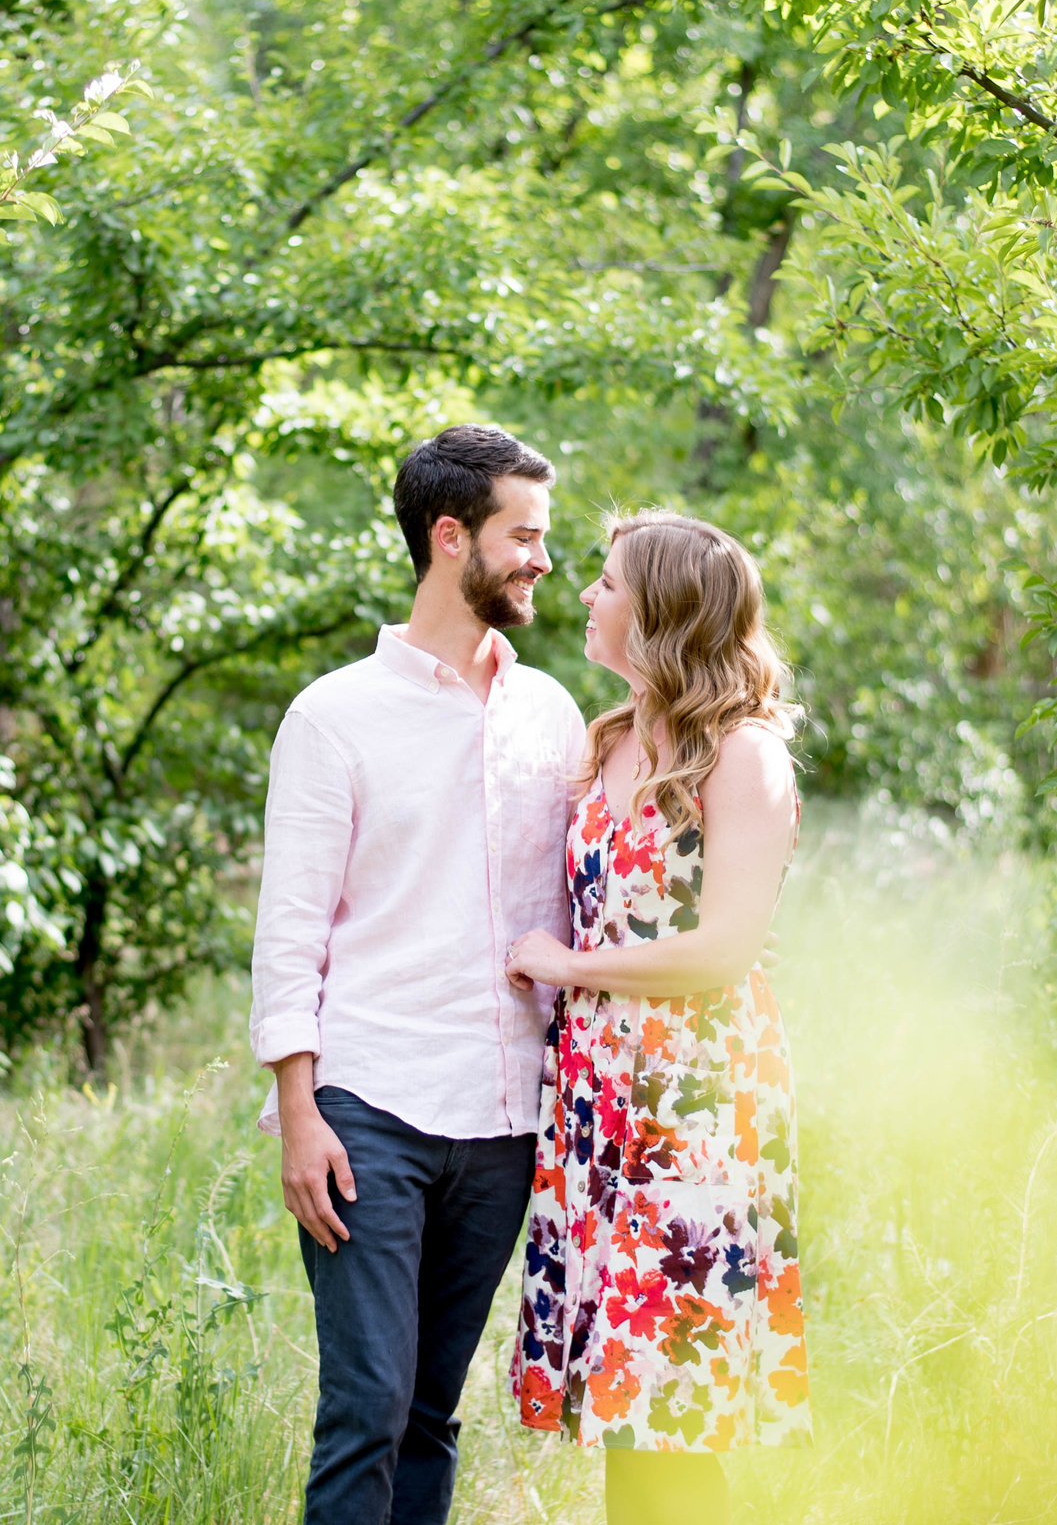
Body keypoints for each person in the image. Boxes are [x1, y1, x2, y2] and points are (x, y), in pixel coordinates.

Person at [249, 424, 590, 1525]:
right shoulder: (333, 716)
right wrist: (298, 1112)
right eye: (523, 535)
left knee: (433, 1410)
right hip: (368, 1108)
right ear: (452, 539)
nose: (543, 559)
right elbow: (289, 929)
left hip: (504, 1117)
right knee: (366, 1403)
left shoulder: (552, 714)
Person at [504, 509, 811, 1525]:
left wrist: (568, 966)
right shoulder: (609, 742)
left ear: (663, 611)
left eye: (606, 582)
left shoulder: (743, 756)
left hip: (693, 1106)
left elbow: (724, 948)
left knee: (663, 1413)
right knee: (623, 1414)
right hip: (598, 1101)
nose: (585, 595)